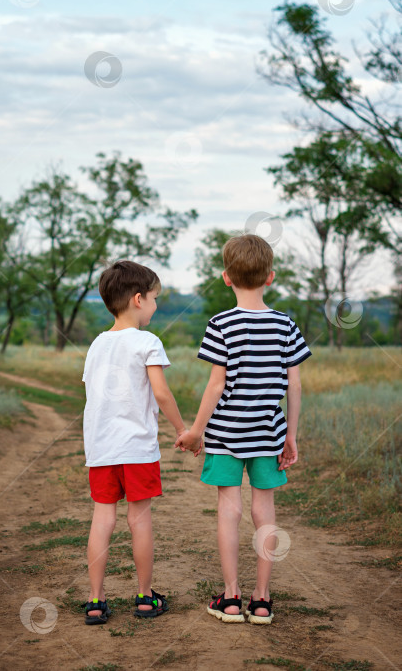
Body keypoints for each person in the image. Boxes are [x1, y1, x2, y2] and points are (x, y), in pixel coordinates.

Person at [176, 234, 312, 625]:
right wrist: (291, 434)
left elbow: (216, 385)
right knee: (264, 511)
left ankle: (232, 597)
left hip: (225, 434)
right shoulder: (285, 324)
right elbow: (295, 385)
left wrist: (198, 430)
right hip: (269, 433)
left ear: (225, 277)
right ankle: (262, 599)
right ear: (270, 277)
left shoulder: (221, 324)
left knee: (229, 509)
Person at [82, 260, 190, 625]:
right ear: (139, 299)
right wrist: (182, 429)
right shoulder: (147, 341)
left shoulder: (97, 344)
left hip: (101, 449)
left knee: (103, 519)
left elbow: (93, 394)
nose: (157, 306)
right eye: (156, 298)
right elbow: (161, 393)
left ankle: (96, 601)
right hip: (137, 449)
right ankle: (145, 598)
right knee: (139, 518)